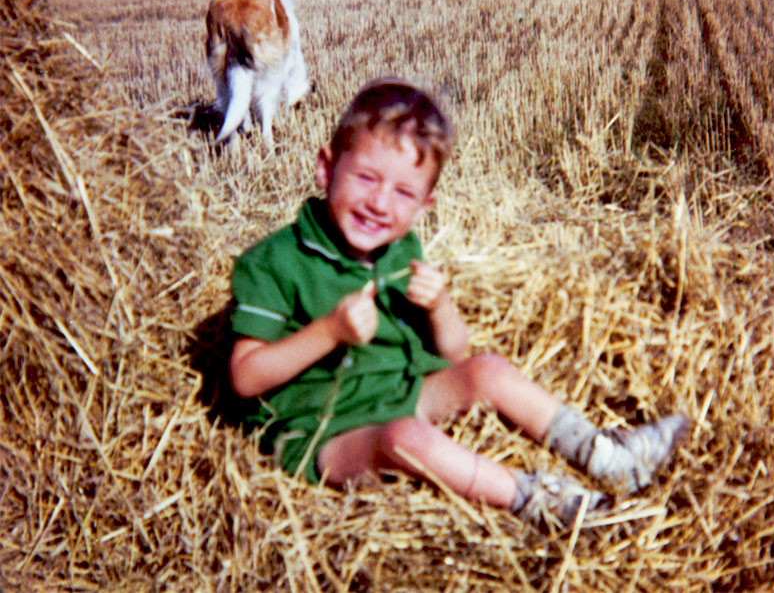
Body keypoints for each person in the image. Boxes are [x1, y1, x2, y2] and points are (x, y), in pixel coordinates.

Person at [228, 78, 690, 527]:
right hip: (322, 433)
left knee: (487, 368)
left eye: (403, 192)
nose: (380, 203)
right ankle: (545, 502)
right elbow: (246, 378)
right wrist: (327, 332)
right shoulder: (273, 262)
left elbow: (452, 355)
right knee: (407, 438)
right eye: (367, 178)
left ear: (424, 207)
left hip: (399, 394)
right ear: (326, 168)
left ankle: (607, 456)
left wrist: (440, 306)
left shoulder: (401, 250)